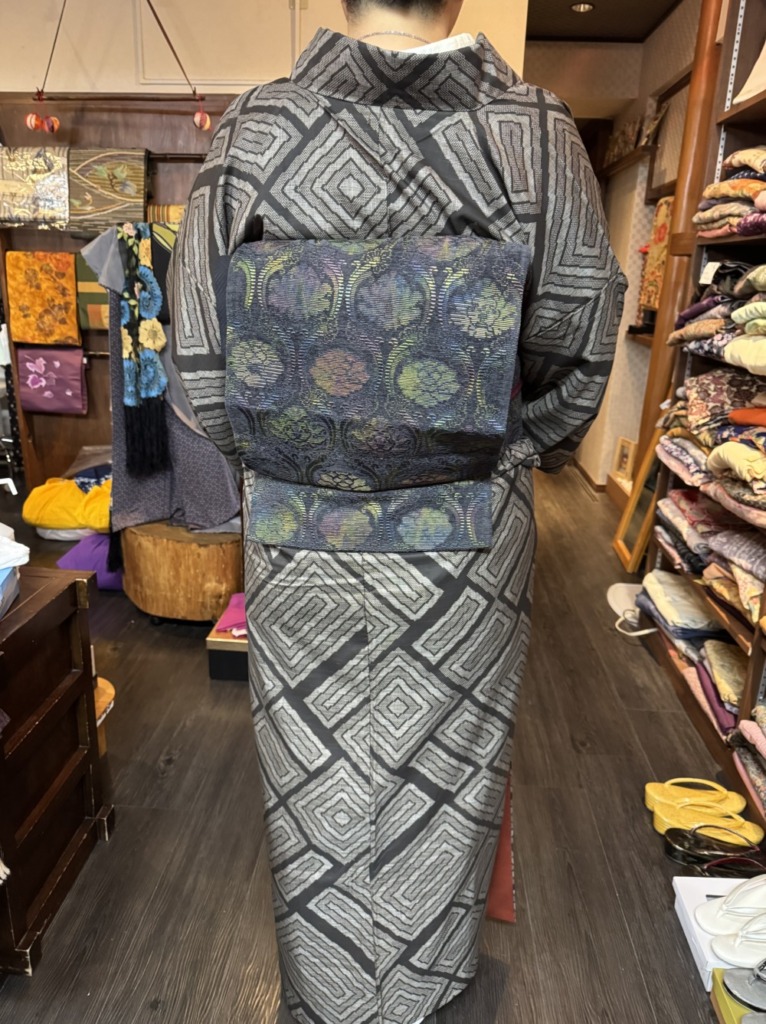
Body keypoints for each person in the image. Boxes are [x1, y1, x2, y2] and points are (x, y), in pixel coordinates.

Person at [171, 2, 626, 1022]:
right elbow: (577, 351)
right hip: (466, 540)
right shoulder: (533, 134)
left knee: (312, 774)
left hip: (300, 527)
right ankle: (425, 983)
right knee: (447, 769)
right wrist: (500, 445)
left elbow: (201, 359)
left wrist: (292, 460)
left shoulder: (256, 129)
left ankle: (329, 992)